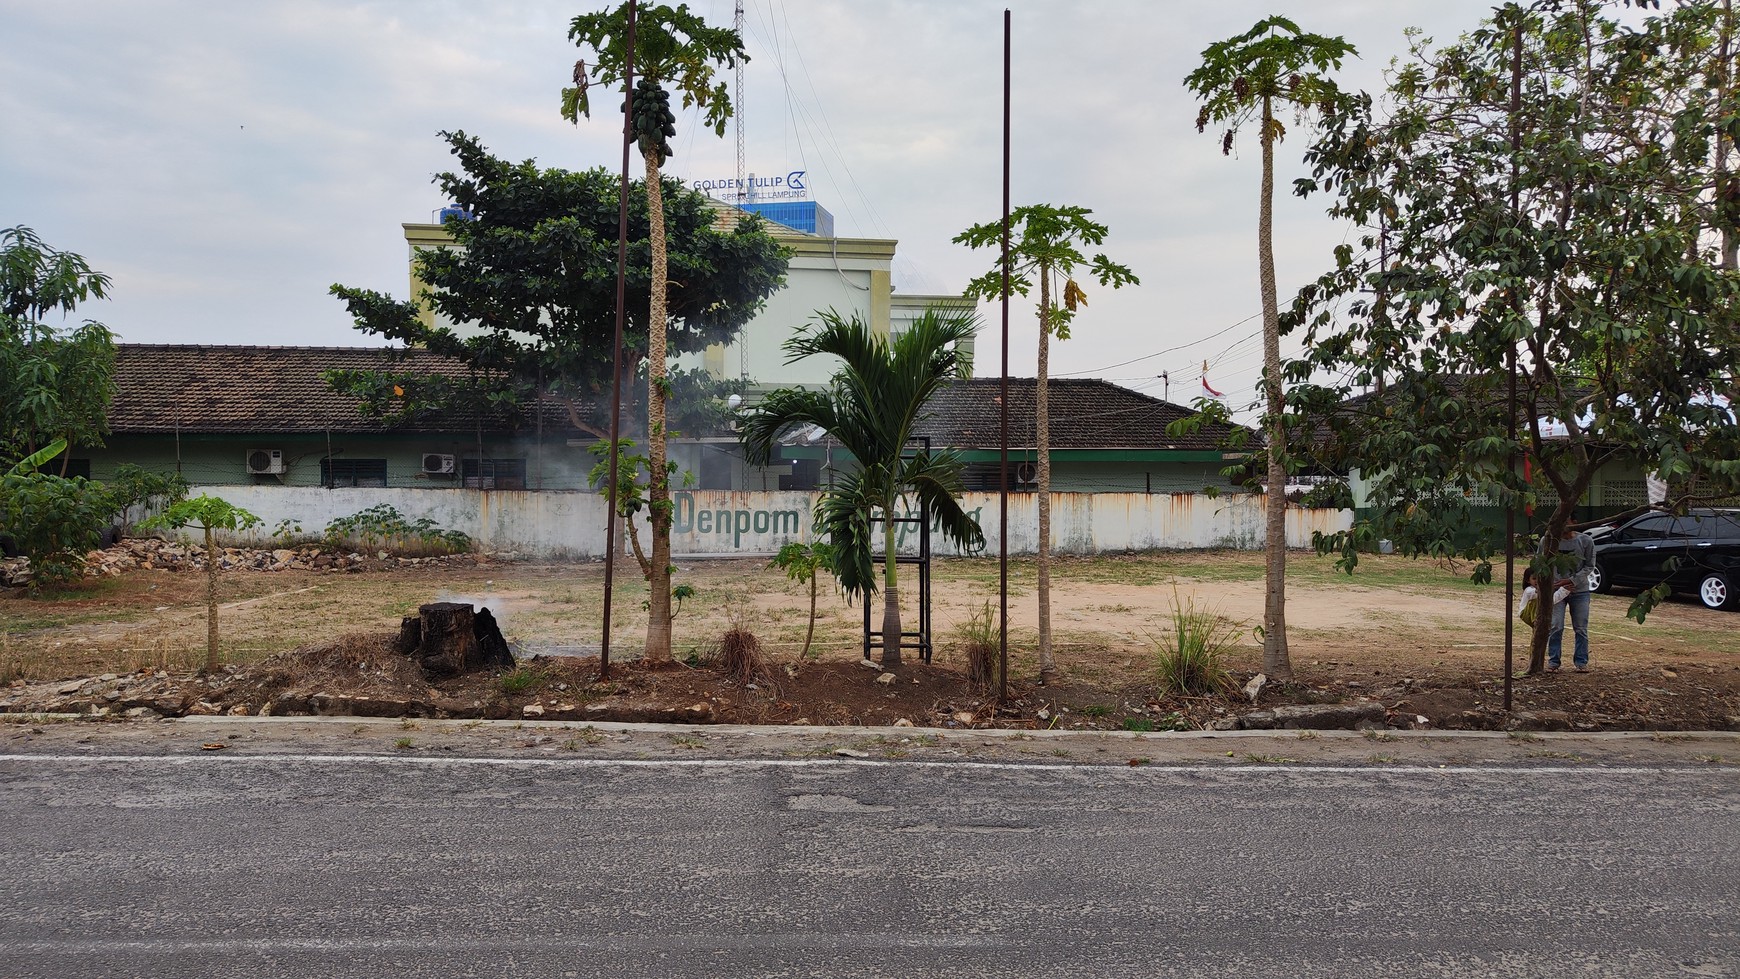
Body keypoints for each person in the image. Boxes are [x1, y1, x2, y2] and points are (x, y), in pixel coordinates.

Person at [1544, 525, 1596, 672]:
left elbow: (1589, 566)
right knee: (1556, 626)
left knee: (1580, 627)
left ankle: (1581, 662)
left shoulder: (1585, 540)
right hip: (1556, 590)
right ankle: (1553, 661)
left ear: (1574, 522)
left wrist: (1572, 581)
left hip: (1579, 591)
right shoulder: (1548, 540)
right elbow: (1540, 561)